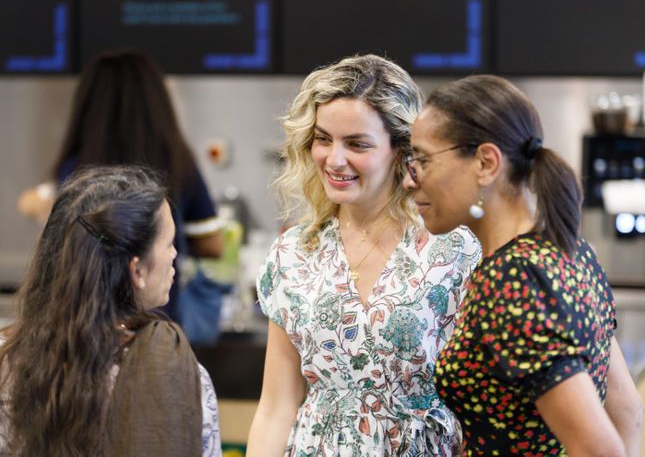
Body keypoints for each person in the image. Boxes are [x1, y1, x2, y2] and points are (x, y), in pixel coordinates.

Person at [246, 54, 481, 456]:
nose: (335, 160)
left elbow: (478, 404)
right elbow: (276, 406)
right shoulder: (293, 254)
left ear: (401, 150)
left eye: (357, 144)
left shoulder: (453, 249)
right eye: (323, 139)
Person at [402, 74, 644, 456]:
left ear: (485, 162)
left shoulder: (510, 282)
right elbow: (627, 410)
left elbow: (601, 448)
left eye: (422, 160)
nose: (410, 180)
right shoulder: (572, 251)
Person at [0, 166, 221, 456]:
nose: (174, 254)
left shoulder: (7, 360)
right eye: (168, 244)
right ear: (137, 270)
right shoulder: (176, 378)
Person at [15, 48, 223, 325]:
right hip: (158, 324)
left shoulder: (75, 171)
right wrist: (159, 240)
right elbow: (212, 244)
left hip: (81, 327)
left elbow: (40, 212)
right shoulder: (178, 163)